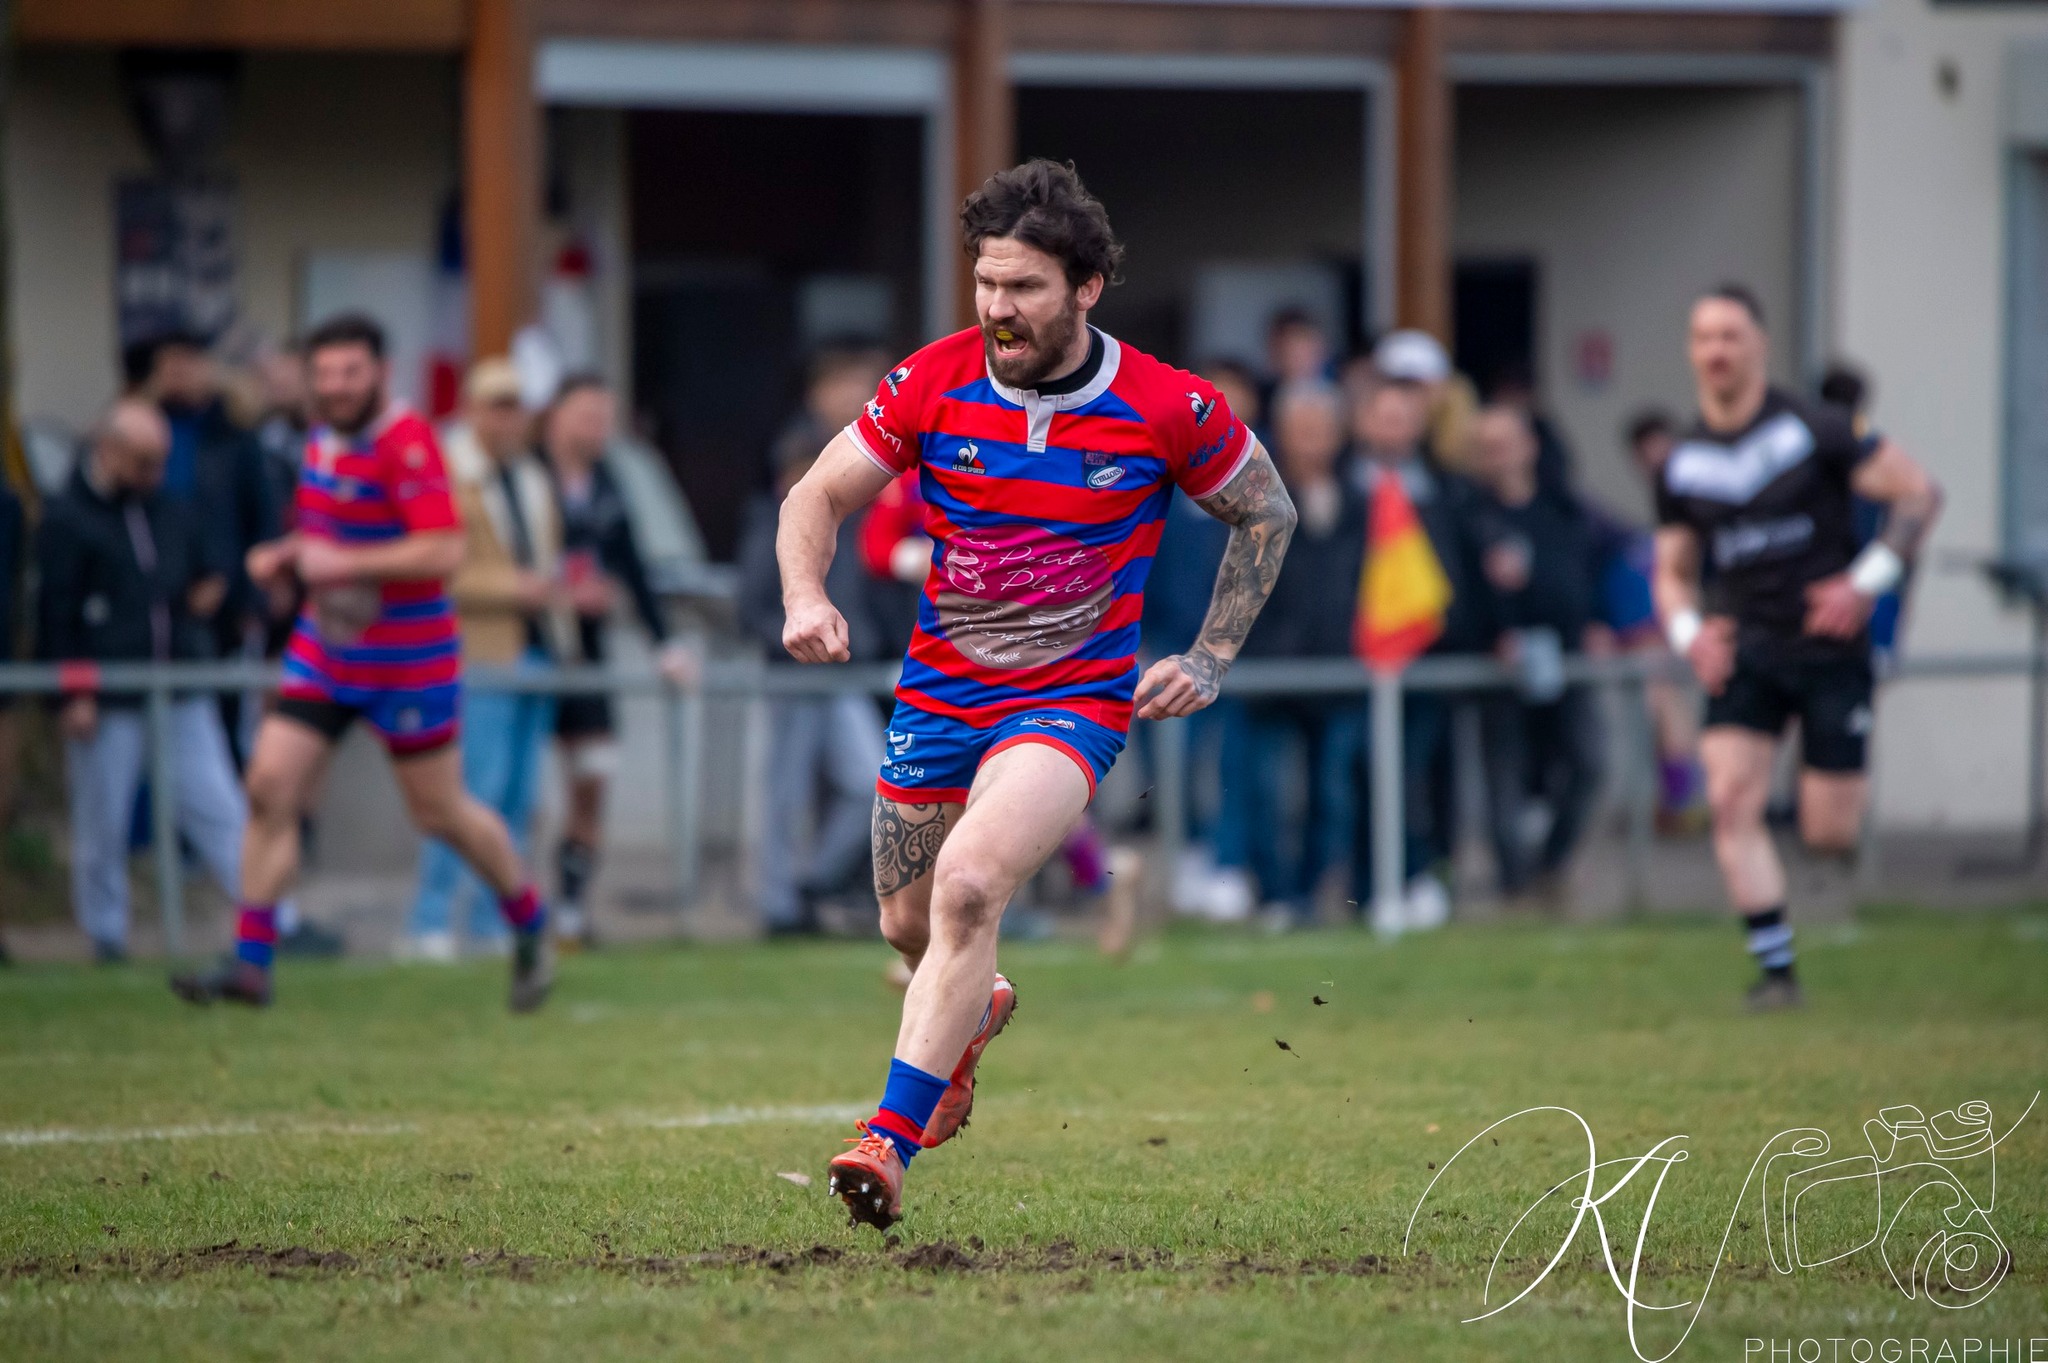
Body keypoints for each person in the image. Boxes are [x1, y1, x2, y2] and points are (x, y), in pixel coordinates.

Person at [776, 160, 1295, 1228]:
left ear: (1086, 286)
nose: (997, 309)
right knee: (906, 921)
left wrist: (1208, 656)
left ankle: (886, 1140)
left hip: (1069, 701)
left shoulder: (1166, 404)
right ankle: (976, 1007)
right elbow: (817, 494)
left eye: (1023, 289)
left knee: (969, 888)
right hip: (937, 693)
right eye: (985, 284)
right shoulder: (930, 381)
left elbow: (1266, 510)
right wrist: (803, 594)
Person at [170, 313, 557, 1011]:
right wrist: (289, 554)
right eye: (325, 373)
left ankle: (530, 919)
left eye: (350, 372)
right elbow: (332, 529)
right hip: (327, 650)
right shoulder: (323, 436)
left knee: (439, 813)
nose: (336, 385)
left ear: (380, 372)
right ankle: (251, 963)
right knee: (268, 784)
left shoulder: (406, 442)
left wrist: (338, 562)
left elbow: (442, 550)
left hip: (409, 660)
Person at [1652, 285, 1940, 1010]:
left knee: (1828, 831)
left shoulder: (1818, 428)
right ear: (1692, 351)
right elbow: (1673, 573)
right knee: (1730, 801)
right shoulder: (1682, 462)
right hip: (1746, 646)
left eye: (1731, 335)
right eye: (1704, 337)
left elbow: (1918, 493)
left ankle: (1815, 868)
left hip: (1827, 648)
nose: (1717, 350)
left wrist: (1863, 582)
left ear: (1760, 345)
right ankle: (1776, 973)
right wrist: (1691, 636)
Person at [37, 401, 248, 963]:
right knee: (101, 820)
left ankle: (268, 919)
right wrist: (73, 692)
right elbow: (57, 614)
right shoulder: (67, 518)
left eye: (159, 462)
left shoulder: (169, 509)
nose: (152, 474)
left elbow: (205, 567)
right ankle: (106, 933)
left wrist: (210, 590)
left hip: (178, 686)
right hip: (108, 697)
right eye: (142, 461)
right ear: (107, 450)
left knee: (218, 807)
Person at [401, 359, 574, 960]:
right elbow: (438, 564)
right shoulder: (447, 472)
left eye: (515, 407)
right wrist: (515, 588)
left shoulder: (529, 476)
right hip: (476, 652)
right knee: (464, 795)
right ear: (473, 410)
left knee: (520, 799)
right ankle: (429, 921)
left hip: (536, 648)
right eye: (496, 406)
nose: (508, 419)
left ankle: (495, 921)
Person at [736, 346, 892, 936]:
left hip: (843, 670)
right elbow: (750, 605)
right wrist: (786, 641)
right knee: (783, 793)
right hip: (794, 673)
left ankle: (812, 885)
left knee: (872, 784)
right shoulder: (778, 508)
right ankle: (779, 909)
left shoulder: (868, 461)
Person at [541, 374, 696, 946]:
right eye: (586, 416)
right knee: (514, 793)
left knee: (593, 776)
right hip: (529, 647)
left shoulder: (608, 482)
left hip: (588, 654)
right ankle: (503, 915)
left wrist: (665, 643)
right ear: (555, 416)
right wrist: (554, 591)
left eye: (604, 418)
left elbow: (633, 565)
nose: (596, 429)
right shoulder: (528, 475)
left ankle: (570, 912)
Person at [1345, 375, 1494, 928]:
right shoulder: (1338, 486)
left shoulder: (1449, 490)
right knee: (1363, 776)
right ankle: (1368, 889)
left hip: (1429, 661)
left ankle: (1418, 877)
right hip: (1353, 662)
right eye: (1382, 414)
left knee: (1420, 777)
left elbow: (1465, 572)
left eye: (1403, 415)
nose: (1393, 426)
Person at [1237, 380, 1366, 928]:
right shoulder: (1252, 493)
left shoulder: (1359, 500)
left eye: (1322, 427)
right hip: (1269, 673)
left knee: (1331, 793)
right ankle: (1275, 894)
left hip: (1339, 673)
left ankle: (1312, 892)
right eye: (1301, 427)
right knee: (1266, 793)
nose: (1312, 439)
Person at [1468, 404, 1606, 899]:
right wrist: (1489, 635)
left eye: (1504, 444)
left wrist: (1597, 624)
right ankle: (1515, 885)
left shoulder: (1564, 509)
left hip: (1565, 659)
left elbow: (1583, 580)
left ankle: (1551, 862)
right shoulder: (1470, 514)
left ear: (1529, 446)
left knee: (1589, 763)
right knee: (1503, 775)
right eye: (1486, 448)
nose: (1496, 457)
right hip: (1497, 668)